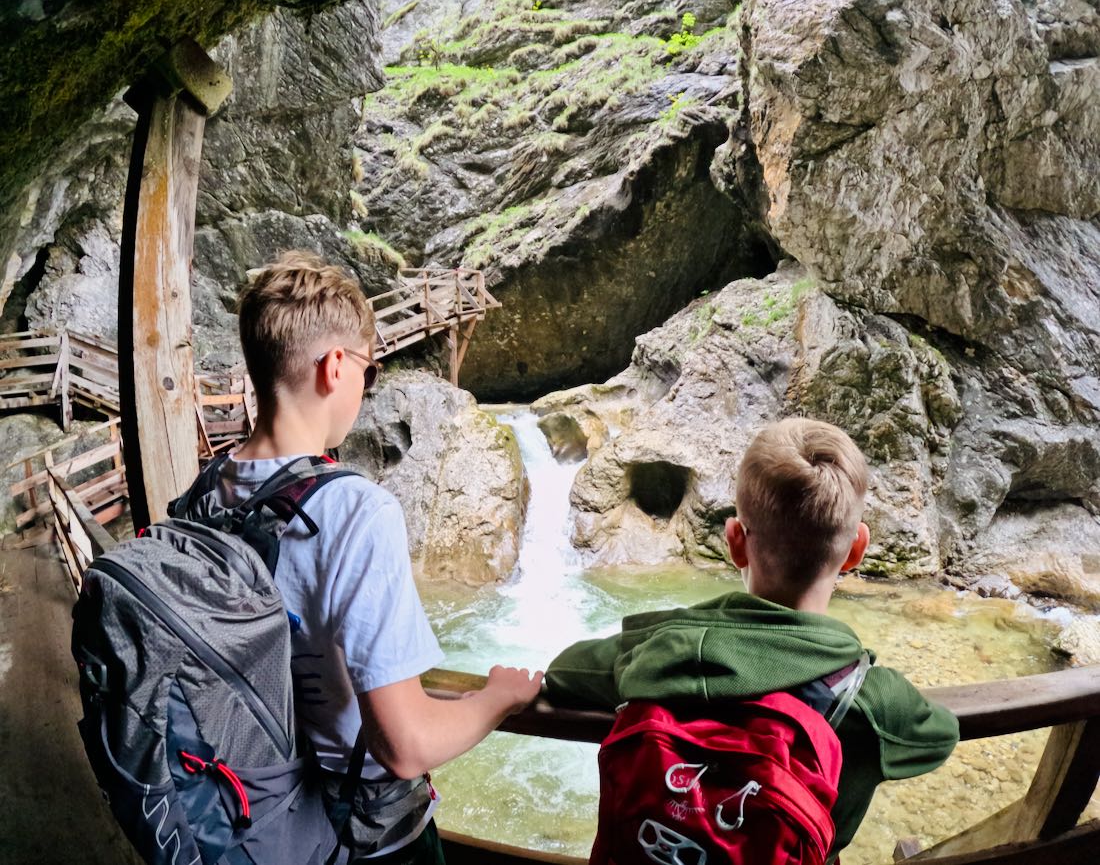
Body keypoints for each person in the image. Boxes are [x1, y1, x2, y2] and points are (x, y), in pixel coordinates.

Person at [224, 249, 543, 863]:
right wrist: (498, 697)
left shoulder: (202, 495)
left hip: (252, 811)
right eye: (368, 372)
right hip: (358, 832)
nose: (365, 389)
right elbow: (405, 745)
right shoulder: (356, 511)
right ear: (335, 367)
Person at [545, 417, 959, 860]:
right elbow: (940, 734)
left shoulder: (655, 652)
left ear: (735, 541)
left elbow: (563, 672)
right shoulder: (872, 701)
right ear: (856, 551)